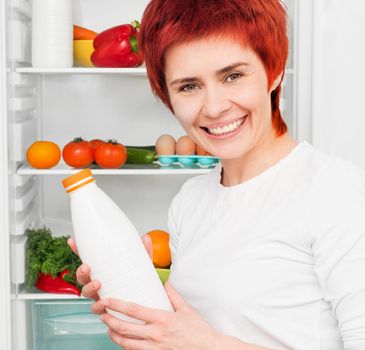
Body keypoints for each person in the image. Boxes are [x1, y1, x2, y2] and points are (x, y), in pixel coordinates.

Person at [68, 0, 365, 349]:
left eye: (233, 76)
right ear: (168, 96)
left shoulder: (336, 191)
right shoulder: (190, 200)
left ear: (275, 70)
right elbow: (193, 329)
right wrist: (134, 287)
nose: (213, 107)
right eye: (188, 86)